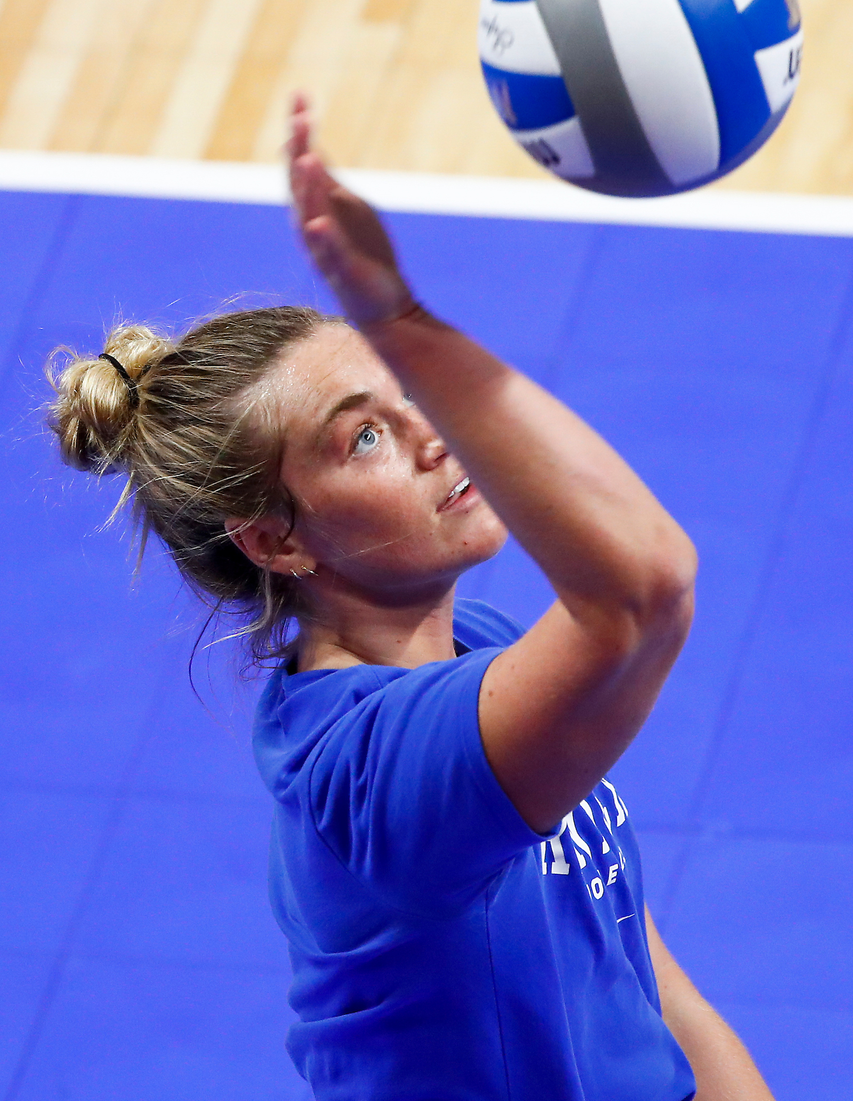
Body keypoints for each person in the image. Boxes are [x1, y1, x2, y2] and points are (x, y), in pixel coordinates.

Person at [48, 97, 775, 1101]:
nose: (435, 432)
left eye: (406, 392)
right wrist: (399, 319)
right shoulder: (381, 771)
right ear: (278, 538)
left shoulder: (469, 638)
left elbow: (637, 966)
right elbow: (647, 586)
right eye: (365, 435)